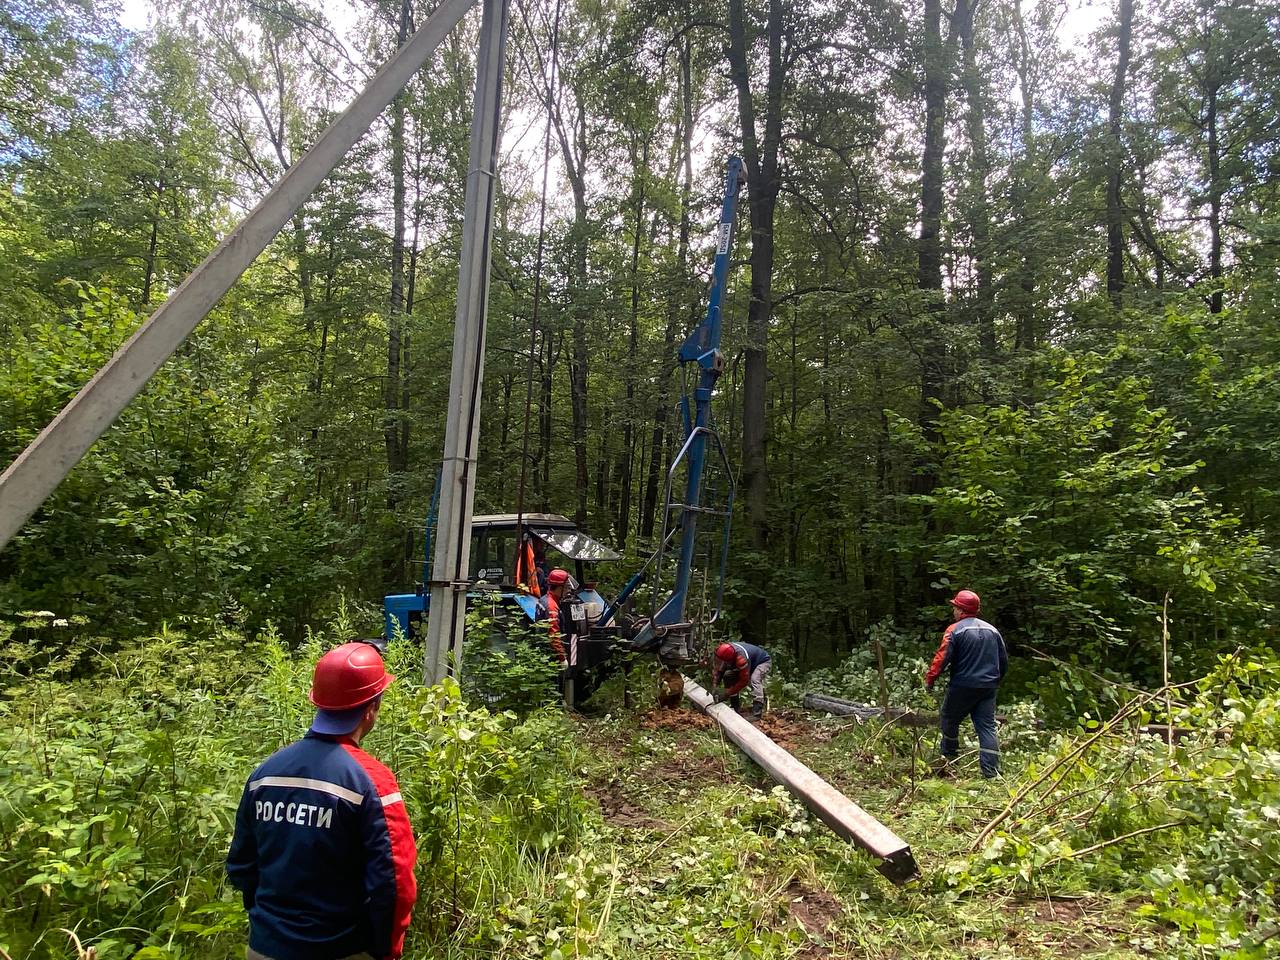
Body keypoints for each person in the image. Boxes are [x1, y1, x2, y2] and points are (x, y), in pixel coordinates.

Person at [226, 643, 418, 960]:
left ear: (318, 702)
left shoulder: (265, 773)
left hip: (263, 948)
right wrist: (387, 950)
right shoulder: (372, 781)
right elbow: (395, 884)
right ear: (371, 709)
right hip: (341, 949)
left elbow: (242, 866)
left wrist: (270, 927)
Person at [925, 589, 1008, 778]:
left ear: (961, 610)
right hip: (988, 687)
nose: (953, 611)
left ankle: (949, 761)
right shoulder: (992, 630)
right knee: (987, 727)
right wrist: (996, 680)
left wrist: (930, 679)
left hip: (962, 685)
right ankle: (991, 773)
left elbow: (941, 658)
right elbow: (1003, 661)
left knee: (949, 719)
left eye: (955, 607)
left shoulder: (954, 630)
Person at [712, 641, 772, 719]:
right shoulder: (722, 651)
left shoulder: (740, 659)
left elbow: (744, 681)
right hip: (749, 662)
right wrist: (715, 685)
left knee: (755, 679)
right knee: (728, 676)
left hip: (762, 662)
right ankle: (735, 707)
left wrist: (727, 693)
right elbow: (719, 670)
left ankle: (757, 711)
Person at [537, 567, 572, 663]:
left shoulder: (544, 599)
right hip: (551, 657)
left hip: (543, 652)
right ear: (560, 587)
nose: (568, 590)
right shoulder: (552, 607)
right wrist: (562, 658)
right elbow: (554, 636)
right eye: (566, 587)